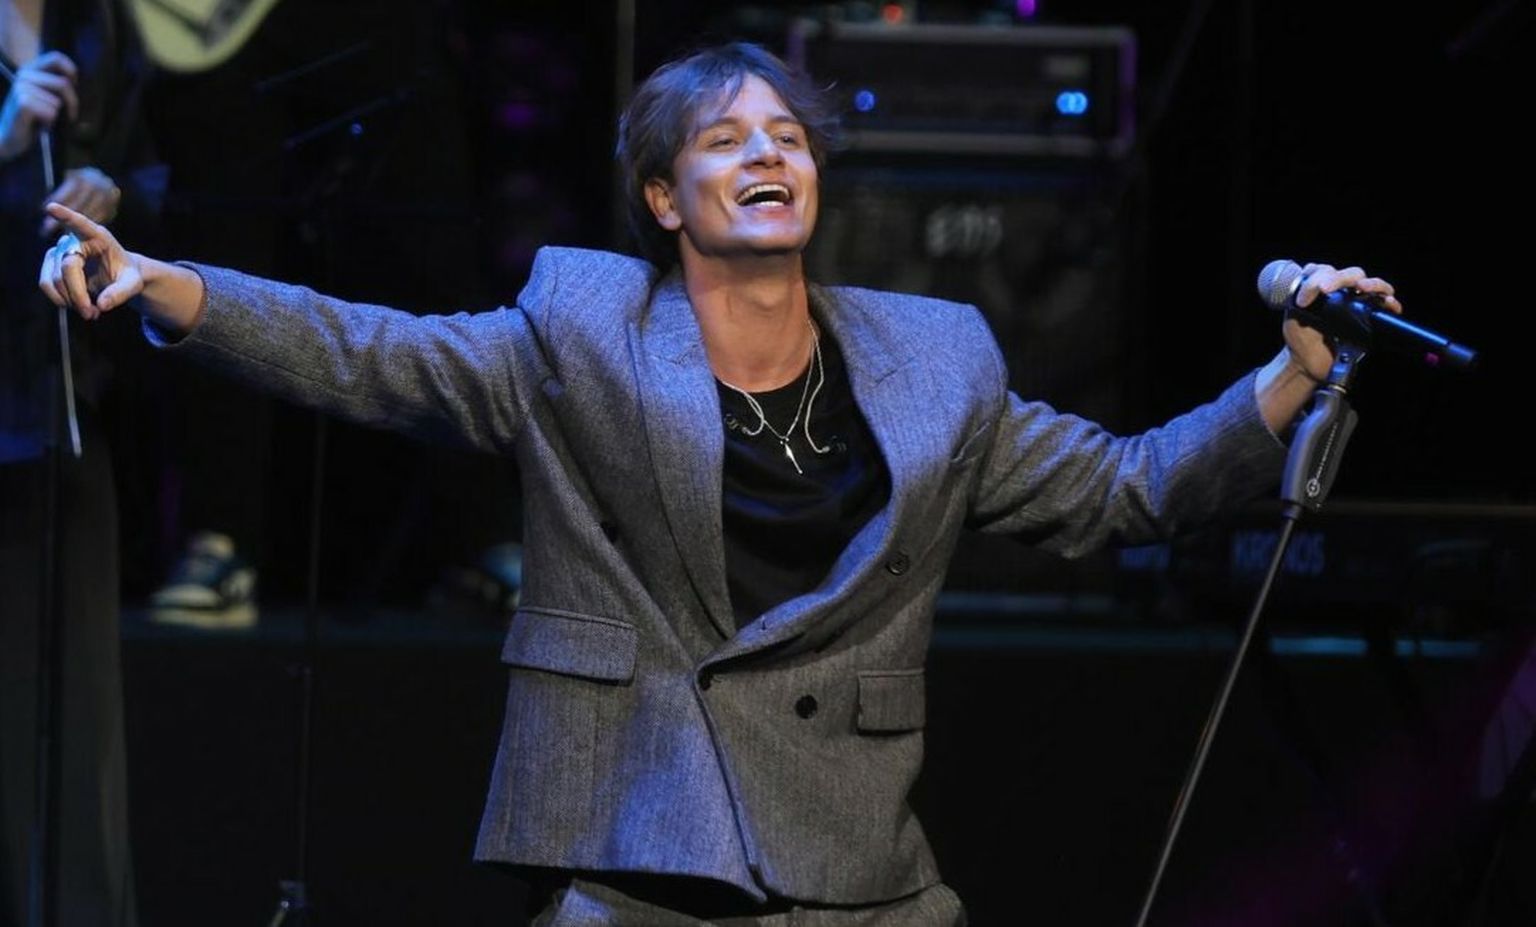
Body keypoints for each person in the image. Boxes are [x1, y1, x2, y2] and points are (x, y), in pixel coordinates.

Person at [39, 41, 1401, 926]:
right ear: (663, 197)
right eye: (728, 139)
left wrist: (1289, 377)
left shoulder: (935, 359)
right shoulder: (583, 336)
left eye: (790, 139)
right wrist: (163, 283)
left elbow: (1127, 489)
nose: (768, 154)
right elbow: (373, 353)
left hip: (861, 875)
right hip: (636, 857)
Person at [1, 1, 149, 925]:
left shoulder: (99, 19)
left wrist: (112, 189)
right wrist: (5, 138)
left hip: (60, 411)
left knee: (76, 730)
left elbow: (165, 167)